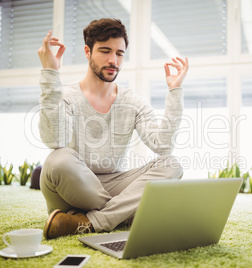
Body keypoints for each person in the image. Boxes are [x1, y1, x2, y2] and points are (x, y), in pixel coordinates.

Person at [37, 18, 189, 239]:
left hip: (112, 183)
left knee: (171, 164)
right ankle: (125, 213)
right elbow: (54, 139)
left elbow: (163, 145)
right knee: (58, 159)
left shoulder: (132, 101)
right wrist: (50, 74)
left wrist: (175, 91)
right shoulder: (68, 95)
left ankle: (87, 221)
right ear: (87, 52)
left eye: (119, 54)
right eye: (105, 51)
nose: (113, 60)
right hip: (70, 184)